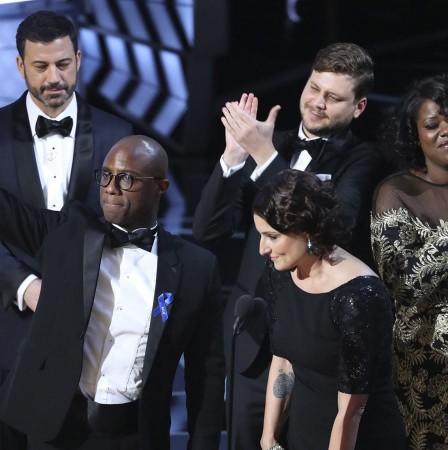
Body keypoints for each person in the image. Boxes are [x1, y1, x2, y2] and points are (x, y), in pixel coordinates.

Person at [0, 105, 225, 449]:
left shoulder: (196, 269)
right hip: (60, 433)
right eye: (106, 175)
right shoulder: (69, 235)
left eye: (126, 179)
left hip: (137, 436)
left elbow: (206, 377)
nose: (111, 188)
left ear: (160, 187)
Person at [192, 42, 390, 450]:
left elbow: (337, 227)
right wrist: (233, 157)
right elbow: (208, 232)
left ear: (359, 107)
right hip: (255, 341)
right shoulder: (269, 144)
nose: (317, 102)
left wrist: (264, 157)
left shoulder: (362, 161)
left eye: (333, 97)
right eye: (314, 88)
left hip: (318, 351)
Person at [0, 10, 133, 450]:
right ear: (20, 65)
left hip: (88, 334)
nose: (54, 78)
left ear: (79, 60)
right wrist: (27, 287)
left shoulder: (116, 132)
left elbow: (125, 228)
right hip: (5, 329)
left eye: (63, 64)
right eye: (41, 66)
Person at [255, 169, 405, 450]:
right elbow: (283, 361)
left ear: (305, 229)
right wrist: (269, 439)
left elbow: (353, 410)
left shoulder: (359, 296)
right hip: (302, 435)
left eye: (272, 236)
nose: (263, 248)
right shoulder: (279, 273)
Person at [371, 73, 448, 449]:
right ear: (415, 135)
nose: (445, 131)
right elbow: (403, 285)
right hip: (427, 363)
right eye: (432, 125)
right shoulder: (397, 192)